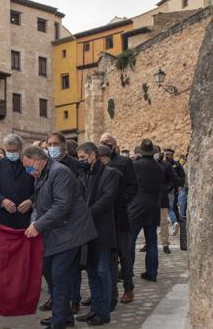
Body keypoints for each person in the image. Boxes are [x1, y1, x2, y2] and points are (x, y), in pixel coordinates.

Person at [22, 146, 97, 329]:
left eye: (28, 166)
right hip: (54, 233)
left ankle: (58, 323)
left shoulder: (59, 172)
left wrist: (37, 226)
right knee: (52, 275)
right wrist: (33, 223)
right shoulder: (40, 175)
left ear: (38, 160)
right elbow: (38, 206)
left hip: (70, 233)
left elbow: (62, 206)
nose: (28, 170)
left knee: (58, 277)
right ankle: (64, 316)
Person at [75, 143, 118, 326]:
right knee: (92, 272)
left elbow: (107, 200)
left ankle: (104, 312)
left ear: (93, 155)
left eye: (83, 157)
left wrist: (86, 213)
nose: (81, 161)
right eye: (79, 158)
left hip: (103, 231)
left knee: (103, 272)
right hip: (87, 232)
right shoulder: (83, 174)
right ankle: (95, 309)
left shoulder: (111, 174)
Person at [43, 132, 80, 314]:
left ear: (63, 145)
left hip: (69, 224)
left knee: (70, 268)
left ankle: (74, 300)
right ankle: (59, 305)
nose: (52, 147)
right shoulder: (46, 165)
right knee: (54, 270)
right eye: (49, 144)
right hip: (52, 225)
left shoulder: (74, 165)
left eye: (55, 144)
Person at [99, 133, 137, 306]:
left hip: (120, 217)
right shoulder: (97, 162)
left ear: (114, 145)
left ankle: (128, 288)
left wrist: (121, 201)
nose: (104, 145)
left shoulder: (124, 162)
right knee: (109, 257)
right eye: (101, 143)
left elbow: (133, 186)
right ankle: (110, 293)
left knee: (125, 255)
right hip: (104, 218)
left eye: (107, 143)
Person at [128, 139, 163, 283]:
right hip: (153, 206)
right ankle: (152, 272)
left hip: (137, 205)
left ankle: (127, 271)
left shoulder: (135, 165)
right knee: (152, 241)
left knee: (130, 240)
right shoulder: (159, 167)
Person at [0, 134, 34, 229]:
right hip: (4, 217)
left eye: (14, 151)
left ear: (21, 149)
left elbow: (38, 185)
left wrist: (31, 200)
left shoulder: (29, 165)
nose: (11, 153)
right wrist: (3, 200)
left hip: (26, 217)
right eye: (8, 151)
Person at [154, 146, 177, 254]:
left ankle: (165, 244)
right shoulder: (147, 165)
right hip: (150, 199)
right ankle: (146, 243)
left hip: (162, 198)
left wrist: (167, 188)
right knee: (149, 222)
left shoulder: (167, 166)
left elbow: (173, 179)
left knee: (163, 222)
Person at [164, 148, 185, 235]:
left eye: (168, 154)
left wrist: (180, 186)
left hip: (173, 189)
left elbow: (182, 175)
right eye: (166, 154)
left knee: (171, 207)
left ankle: (174, 222)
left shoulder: (176, 164)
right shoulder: (162, 163)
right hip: (164, 189)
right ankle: (172, 223)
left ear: (172, 155)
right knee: (168, 207)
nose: (167, 156)